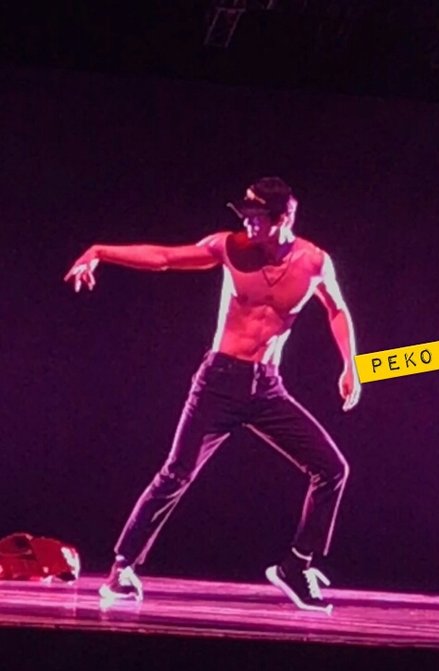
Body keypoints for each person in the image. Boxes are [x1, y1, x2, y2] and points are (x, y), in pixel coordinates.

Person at [64, 176, 361, 612]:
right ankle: (122, 568)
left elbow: (337, 309)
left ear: (285, 218)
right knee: (176, 473)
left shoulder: (314, 262)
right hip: (219, 382)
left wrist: (351, 364)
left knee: (332, 469)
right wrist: (99, 251)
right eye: (245, 215)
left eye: (258, 217)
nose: (248, 224)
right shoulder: (230, 247)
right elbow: (165, 258)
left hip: (267, 387)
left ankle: (296, 566)